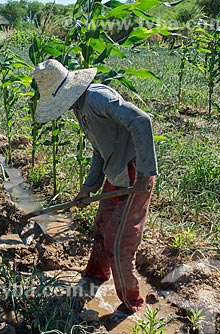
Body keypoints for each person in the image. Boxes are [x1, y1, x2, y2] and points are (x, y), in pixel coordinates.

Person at [33, 59, 158, 314]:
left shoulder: (98, 98)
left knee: (118, 240)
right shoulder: (80, 108)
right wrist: (88, 188)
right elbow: (101, 151)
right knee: (101, 226)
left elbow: (141, 121)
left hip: (133, 174)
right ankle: (96, 275)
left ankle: (131, 304)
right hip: (115, 173)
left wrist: (145, 175)